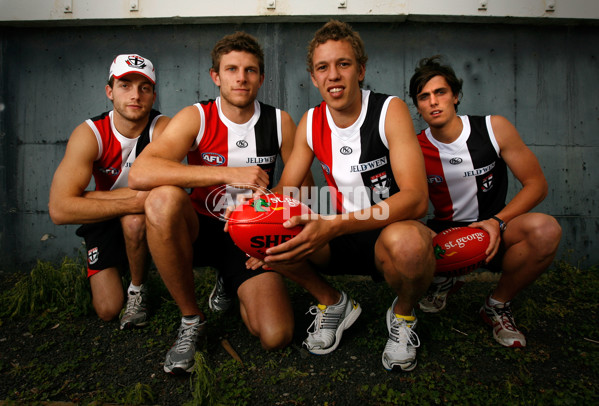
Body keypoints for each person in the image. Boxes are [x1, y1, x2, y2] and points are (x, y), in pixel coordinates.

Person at [258, 20, 435, 372]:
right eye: (323, 67)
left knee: (412, 247)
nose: (333, 75)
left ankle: (402, 313)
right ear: (313, 77)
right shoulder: (311, 120)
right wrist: (248, 221)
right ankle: (333, 302)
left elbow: (416, 199)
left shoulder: (389, 110)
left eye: (343, 64)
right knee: (268, 232)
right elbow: (288, 190)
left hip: (388, 227)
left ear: (361, 70)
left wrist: (334, 225)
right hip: (336, 229)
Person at [129, 32, 310, 375]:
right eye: (231, 69)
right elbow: (141, 171)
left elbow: (302, 189)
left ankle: (232, 282)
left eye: (250, 70)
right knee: (162, 200)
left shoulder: (279, 121)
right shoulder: (196, 116)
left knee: (277, 334)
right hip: (199, 228)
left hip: (250, 236)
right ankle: (191, 319)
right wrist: (228, 173)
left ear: (261, 78)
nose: (241, 78)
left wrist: (269, 219)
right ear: (216, 76)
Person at [409, 56, 562, 347]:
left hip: (496, 228)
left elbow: (537, 185)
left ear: (455, 96)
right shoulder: (415, 146)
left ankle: (496, 305)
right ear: (417, 106)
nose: (433, 102)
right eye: (423, 97)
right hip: (445, 236)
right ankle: (444, 280)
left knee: (546, 230)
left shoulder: (492, 128)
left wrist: (497, 221)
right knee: (405, 245)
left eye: (440, 92)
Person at [49, 54, 170, 329]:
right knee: (107, 309)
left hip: (142, 218)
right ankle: (119, 265)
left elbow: (166, 194)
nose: (135, 95)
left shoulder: (163, 128)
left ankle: (138, 289)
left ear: (153, 95)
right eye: (125, 85)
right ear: (110, 91)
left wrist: (87, 197)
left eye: (144, 88)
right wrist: (135, 198)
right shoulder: (90, 133)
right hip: (103, 218)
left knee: (136, 220)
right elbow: (59, 209)